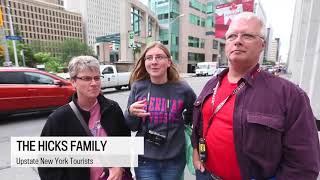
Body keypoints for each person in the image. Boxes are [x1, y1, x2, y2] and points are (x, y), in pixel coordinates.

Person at [191, 12, 320, 180]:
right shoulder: (212, 84)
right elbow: (199, 125)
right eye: (231, 36)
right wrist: (195, 151)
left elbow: (304, 165)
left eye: (247, 36)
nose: (237, 41)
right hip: (206, 174)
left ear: (262, 45)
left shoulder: (289, 95)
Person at [38, 56, 131, 180]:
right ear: (73, 81)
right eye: (87, 78)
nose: (94, 83)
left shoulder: (112, 109)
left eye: (97, 78)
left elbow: (125, 144)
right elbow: (47, 165)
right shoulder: (59, 119)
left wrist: (120, 167)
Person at [124, 41, 196, 180]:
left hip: (174, 159)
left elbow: (195, 113)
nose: (154, 62)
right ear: (145, 63)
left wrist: (184, 122)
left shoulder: (183, 88)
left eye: (159, 57)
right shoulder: (138, 87)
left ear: (168, 62)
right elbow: (132, 126)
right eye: (149, 58)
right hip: (145, 159)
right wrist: (131, 112)